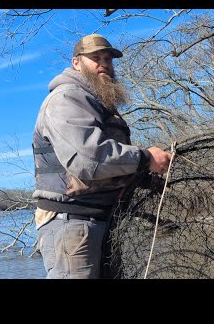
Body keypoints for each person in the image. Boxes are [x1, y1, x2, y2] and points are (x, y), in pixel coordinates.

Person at [32, 33, 172, 279]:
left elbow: (110, 171)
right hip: (72, 225)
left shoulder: (97, 102)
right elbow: (88, 159)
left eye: (108, 58)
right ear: (77, 62)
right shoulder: (66, 98)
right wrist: (146, 158)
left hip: (100, 223)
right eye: (95, 58)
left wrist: (150, 178)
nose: (104, 64)